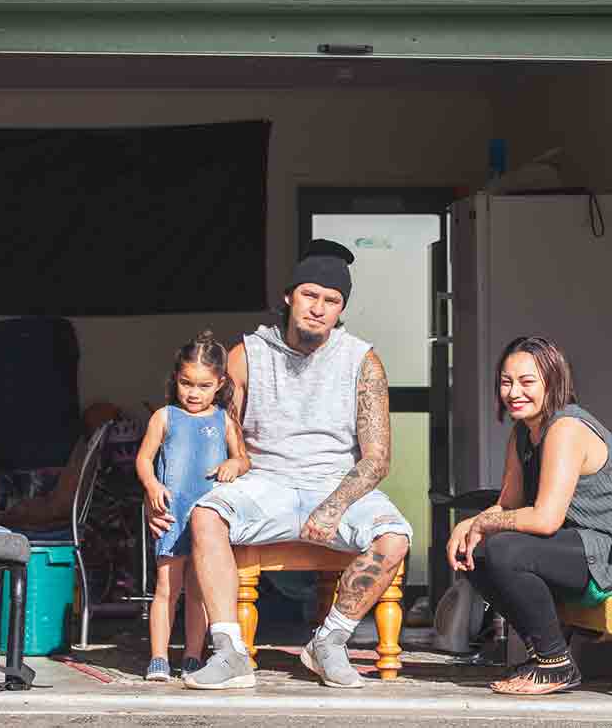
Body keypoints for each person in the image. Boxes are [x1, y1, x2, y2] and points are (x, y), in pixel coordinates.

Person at [148, 240, 412, 691]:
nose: (318, 309)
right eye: (310, 295)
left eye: (332, 301)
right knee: (207, 516)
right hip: (264, 482)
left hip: (335, 484)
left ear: (341, 308)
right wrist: (166, 497)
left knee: (396, 536)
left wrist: (333, 505)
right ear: (290, 296)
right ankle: (230, 653)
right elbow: (214, 439)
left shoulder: (362, 360)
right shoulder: (247, 354)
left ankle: (328, 643)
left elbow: (377, 458)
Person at [446, 336, 612, 696]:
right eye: (506, 382)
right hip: (587, 543)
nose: (514, 392)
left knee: (505, 550)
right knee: (477, 552)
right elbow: (509, 504)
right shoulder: (523, 434)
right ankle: (545, 656)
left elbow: (545, 519)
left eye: (527, 382)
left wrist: (484, 524)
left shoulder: (566, 428)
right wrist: (467, 527)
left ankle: (555, 665)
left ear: (552, 382)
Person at [136, 331, 251, 682]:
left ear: (219, 383)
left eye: (203, 386)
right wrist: (152, 484)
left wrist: (235, 465)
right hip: (172, 515)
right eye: (186, 383)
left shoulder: (224, 421)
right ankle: (158, 657)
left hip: (209, 522)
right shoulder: (165, 416)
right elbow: (144, 458)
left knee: (200, 592)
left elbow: (243, 459)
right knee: (166, 589)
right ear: (176, 379)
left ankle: (192, 656)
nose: (193, 393)